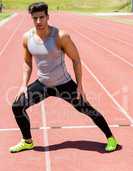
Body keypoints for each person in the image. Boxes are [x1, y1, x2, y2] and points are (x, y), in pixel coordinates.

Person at [9, 2, 118, 153]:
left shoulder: (61, 36)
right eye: (35, 18)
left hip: (64, 84)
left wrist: (79, 85)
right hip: (43, 84)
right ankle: (27, 141)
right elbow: (27, 63)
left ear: (48, 17)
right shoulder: (27, 37)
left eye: (42, 17)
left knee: (87, 109)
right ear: (32, 19)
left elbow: (76, 60)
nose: (39, 21)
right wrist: (23, 85)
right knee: (17, 106)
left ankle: (111, 138)